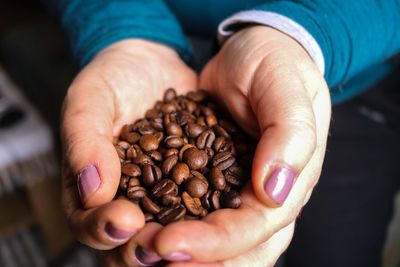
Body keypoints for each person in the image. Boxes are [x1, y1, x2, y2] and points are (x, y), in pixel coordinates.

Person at [43, 0, 400, 266]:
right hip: (143, 43)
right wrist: (121, 28)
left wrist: (302, 35)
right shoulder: (178, 157)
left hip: (348, 70)